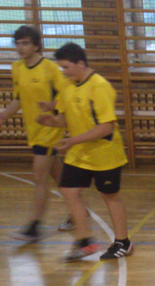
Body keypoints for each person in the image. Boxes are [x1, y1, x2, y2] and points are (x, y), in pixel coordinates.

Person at [36, 43, 132, 262]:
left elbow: (106, 127)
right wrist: (51, 121)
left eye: (66, 67)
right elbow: (63, 117)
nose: (64, 72)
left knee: (110, 196)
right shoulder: (68, 85)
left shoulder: (100, 86)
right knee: (68, 190)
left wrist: (72, 141)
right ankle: (85, 241)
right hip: (79, 152)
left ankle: (123, 243)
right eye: (61, 68)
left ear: (81, 63)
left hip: (104, 153)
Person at [0, 26, 73, 241]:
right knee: (57, 174)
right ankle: (80, 211)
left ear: (36, 45)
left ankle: (34, 225)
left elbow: (67, 96)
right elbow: (18, 98)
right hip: (33, 129)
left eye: (25, 43)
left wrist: (52, 106)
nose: (20, 47)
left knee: (38, 176)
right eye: (17, 43)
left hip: (50, 129)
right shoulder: (17, 68)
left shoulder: (50, 69)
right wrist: (2, 117)